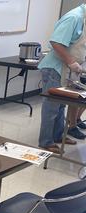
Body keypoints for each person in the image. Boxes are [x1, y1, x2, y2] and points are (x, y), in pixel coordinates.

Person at [38, 3, 86, 154]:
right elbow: (56, 42)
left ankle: (58, 136)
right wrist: (72, 61)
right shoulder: (74, 17)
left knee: (61, 105)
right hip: (55, 68)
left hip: (68, 69)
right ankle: (46, 141)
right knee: (51, 107)